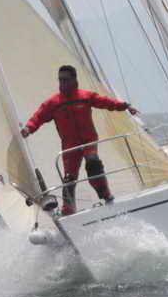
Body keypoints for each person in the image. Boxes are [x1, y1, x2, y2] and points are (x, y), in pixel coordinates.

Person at [20, 65, 140, 216]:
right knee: (69, 178)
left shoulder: (86, 96)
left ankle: (106, 196)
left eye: (65, 79)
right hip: (70, 145)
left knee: (93, 162)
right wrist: (28, 128)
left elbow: (105, 102)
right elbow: (39, 116)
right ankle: (68, 211)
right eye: (60, 80)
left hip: (88, 140)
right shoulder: (54, 102)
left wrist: (125, 106)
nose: (62, 83)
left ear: (74, 79)